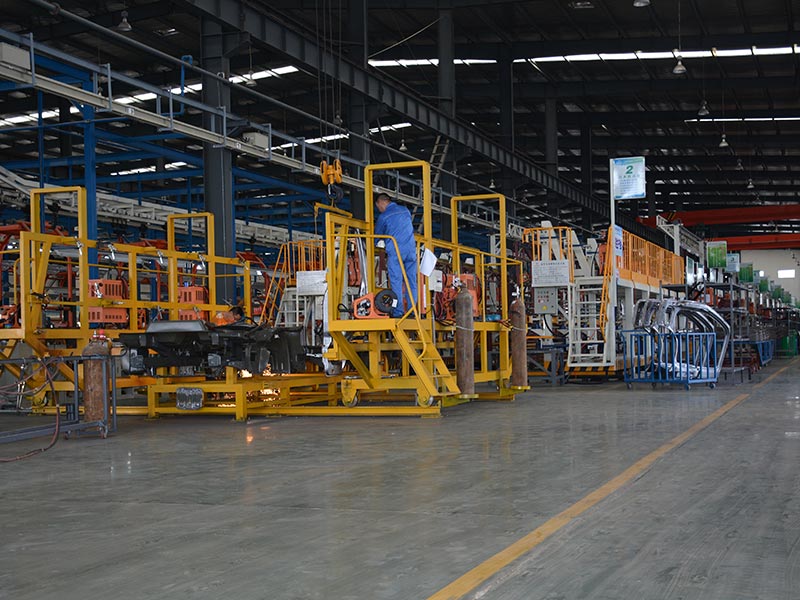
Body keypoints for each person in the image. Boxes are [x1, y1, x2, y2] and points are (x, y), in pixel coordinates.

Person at [374, 192, 418, 318]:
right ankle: (412, 311)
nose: (379, 209)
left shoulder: (384, 216)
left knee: (396, 281)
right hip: (411, 250)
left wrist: (372, 246)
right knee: (411, 281)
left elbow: (377, 236)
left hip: (396, 251)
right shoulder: (405, 210)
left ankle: (398, 311)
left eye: (378, 206)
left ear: (381, 202)